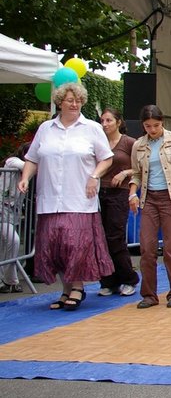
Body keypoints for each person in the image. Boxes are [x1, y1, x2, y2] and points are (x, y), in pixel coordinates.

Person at [18, 82, 114, 311]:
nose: (74, 104)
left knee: (75, 244)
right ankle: (65, 289)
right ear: (60, 102)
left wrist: (94, 176)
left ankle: (78, 287)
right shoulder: (46, 129)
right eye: (70, 100)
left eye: (78, 100)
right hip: (50, 198)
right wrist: (25, 178)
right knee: (55, 246)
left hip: (79, 198)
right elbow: (33, 158)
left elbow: (106, 158)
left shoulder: (91, 128)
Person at [129, 105, 171, 309]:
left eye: (156, 125)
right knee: (147, 247)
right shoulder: (138, 145)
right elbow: (136, 173)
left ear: (162, 123)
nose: (153, 130)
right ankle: (149, 294)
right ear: (143, 126)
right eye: (148, 126)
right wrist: (132, 193)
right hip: (149, 198)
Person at [97, 108, 139, 297]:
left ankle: (128, 278)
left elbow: (141, 167)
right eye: (102, 120)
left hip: (119, 193)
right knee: (101, 238)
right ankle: (108, 280)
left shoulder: (130, 143)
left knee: (115, 236)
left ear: (119, 122)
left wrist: (125, 173)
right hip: (99, 192)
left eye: (109, 120)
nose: (105, 124)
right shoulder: (98, 142)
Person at [0, 143, 29, 294]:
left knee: (7, 245)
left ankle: (7, 281)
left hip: (12, 211)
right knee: (13, 240)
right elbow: (25, 166)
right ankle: (10, 280)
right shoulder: (12, 161)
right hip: (2, 208)